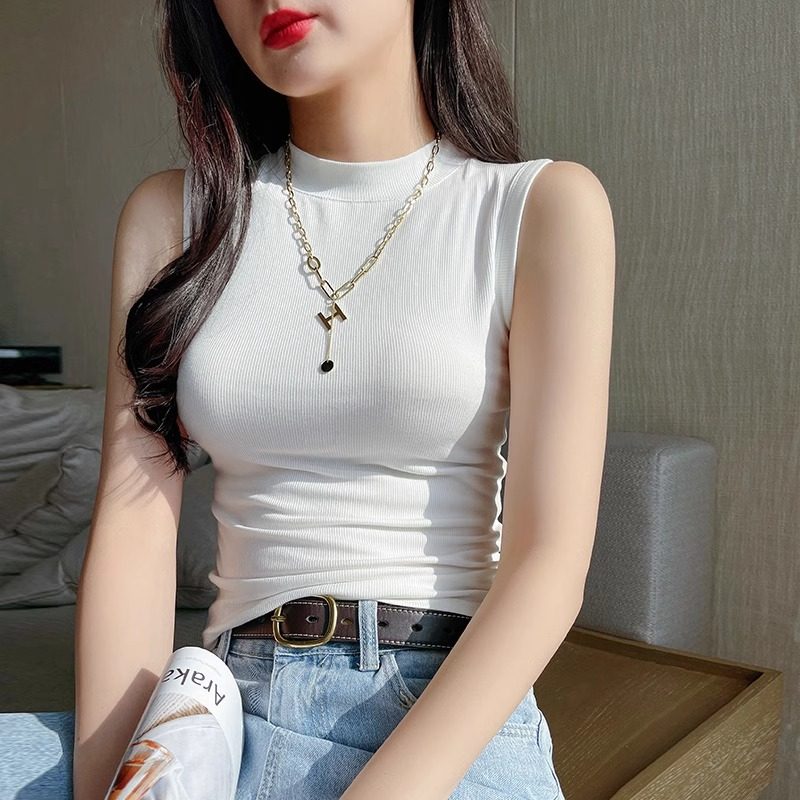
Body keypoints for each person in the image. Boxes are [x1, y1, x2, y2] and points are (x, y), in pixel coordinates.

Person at [0, 1, 615, 798]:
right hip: (222, 716)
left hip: (442, 721)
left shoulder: (540, 209)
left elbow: (548, 564)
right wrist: (115, 786)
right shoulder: (175, 221)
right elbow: (134, 534)